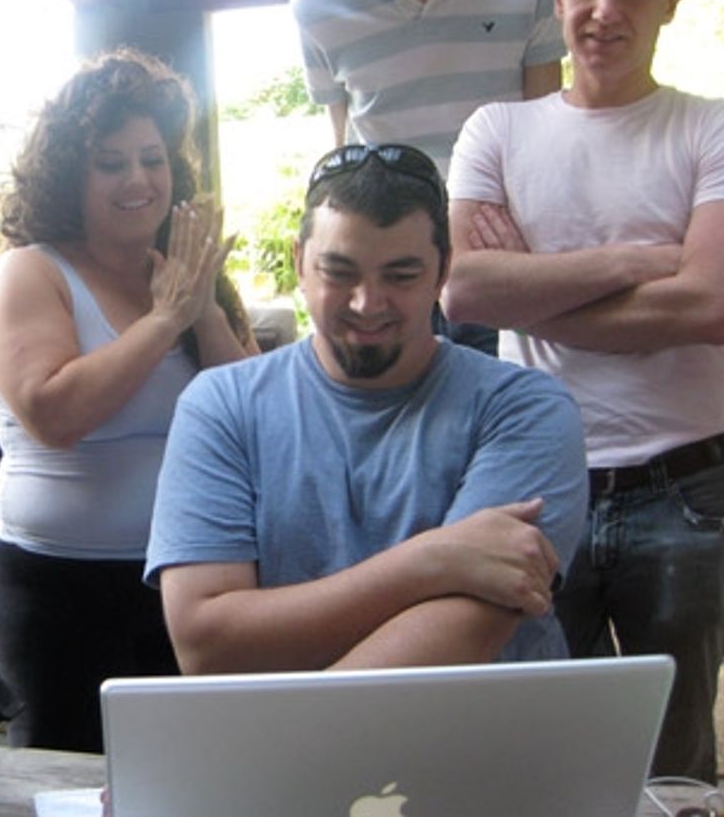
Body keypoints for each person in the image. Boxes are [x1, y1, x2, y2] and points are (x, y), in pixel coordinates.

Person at [443, 0, 724, 782]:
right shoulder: (496, 129)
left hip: (685, 486)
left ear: (671, 2)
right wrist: (640, 262)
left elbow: (708, 303)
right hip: (540, 487)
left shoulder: (707, 129)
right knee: (538, 748)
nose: (606, 9)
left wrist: (538, 286)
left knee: (673, 760)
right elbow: (464, 293)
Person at [145, 143, 587, 675]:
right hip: (287, 751)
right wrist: (431, 560)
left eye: (400, 276)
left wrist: (293, 737)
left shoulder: (526, 409)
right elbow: (206, 643)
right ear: (298, 264)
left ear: (442, 272)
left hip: (480, 749)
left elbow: (464, 629)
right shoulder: (222, 405)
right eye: (339, 272)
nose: (366, 303)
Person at [0, 48, 257, 752]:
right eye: (111, 162)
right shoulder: (30, 271)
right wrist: (164, 320)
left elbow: (258, 419)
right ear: (72, 174)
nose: (138, 179)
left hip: (188, 582)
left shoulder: (186, 273)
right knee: (66, 784)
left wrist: (201, 309)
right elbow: (53, 411)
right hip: (57, 589)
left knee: (194, 780)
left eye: (152, 158)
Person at [289, 0, 565, 355]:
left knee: (502, 407)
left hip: (497, 252)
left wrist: (536, 245)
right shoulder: (316, 7)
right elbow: (344, 148)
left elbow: (546, 127)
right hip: (387, 263)